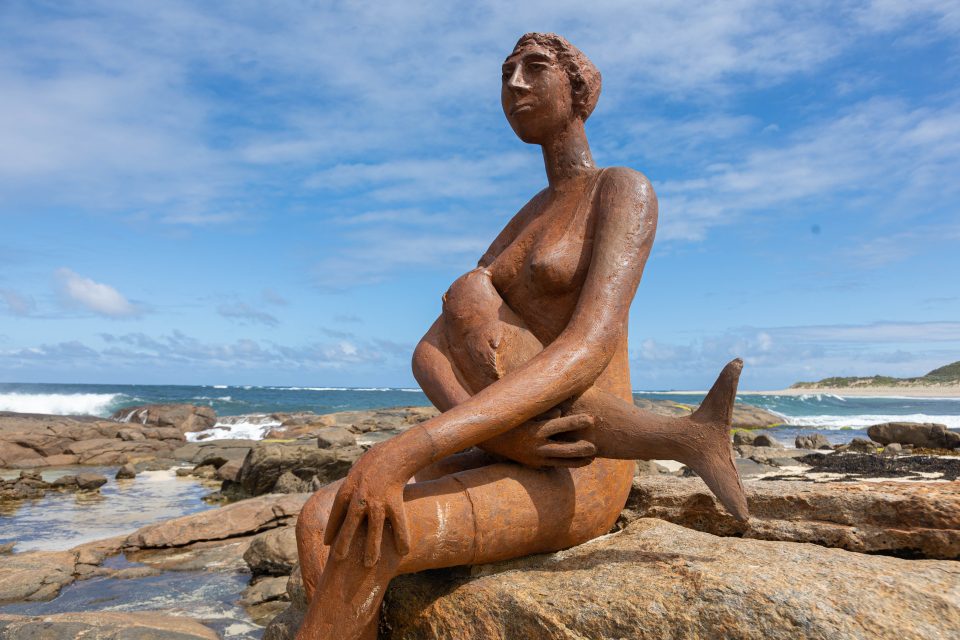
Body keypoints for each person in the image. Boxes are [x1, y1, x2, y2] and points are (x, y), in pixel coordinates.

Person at [294, 33, 747, 640]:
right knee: (321, 516)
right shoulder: (528, 215)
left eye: (534, 69)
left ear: (579, 89)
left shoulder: (622, 190)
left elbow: (588, 345)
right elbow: (429, 351)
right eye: (505, 73)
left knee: (363, 537)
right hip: (520, 441)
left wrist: (411, 449)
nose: (514, 85)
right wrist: (506, 436)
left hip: (583, 462)